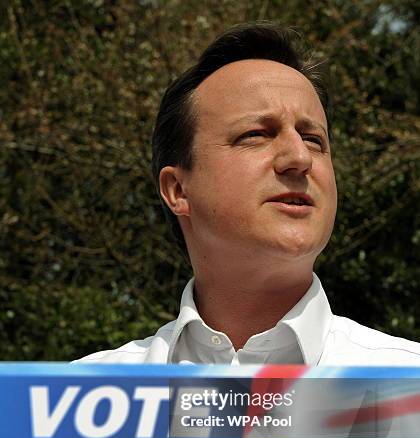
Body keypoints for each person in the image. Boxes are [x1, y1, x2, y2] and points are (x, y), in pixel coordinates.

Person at [78, 22, 420, 365]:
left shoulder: (409, 382)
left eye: (314, 139)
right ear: (178, 190)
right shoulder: (77, 401)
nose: (299, 158)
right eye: (256, 134)